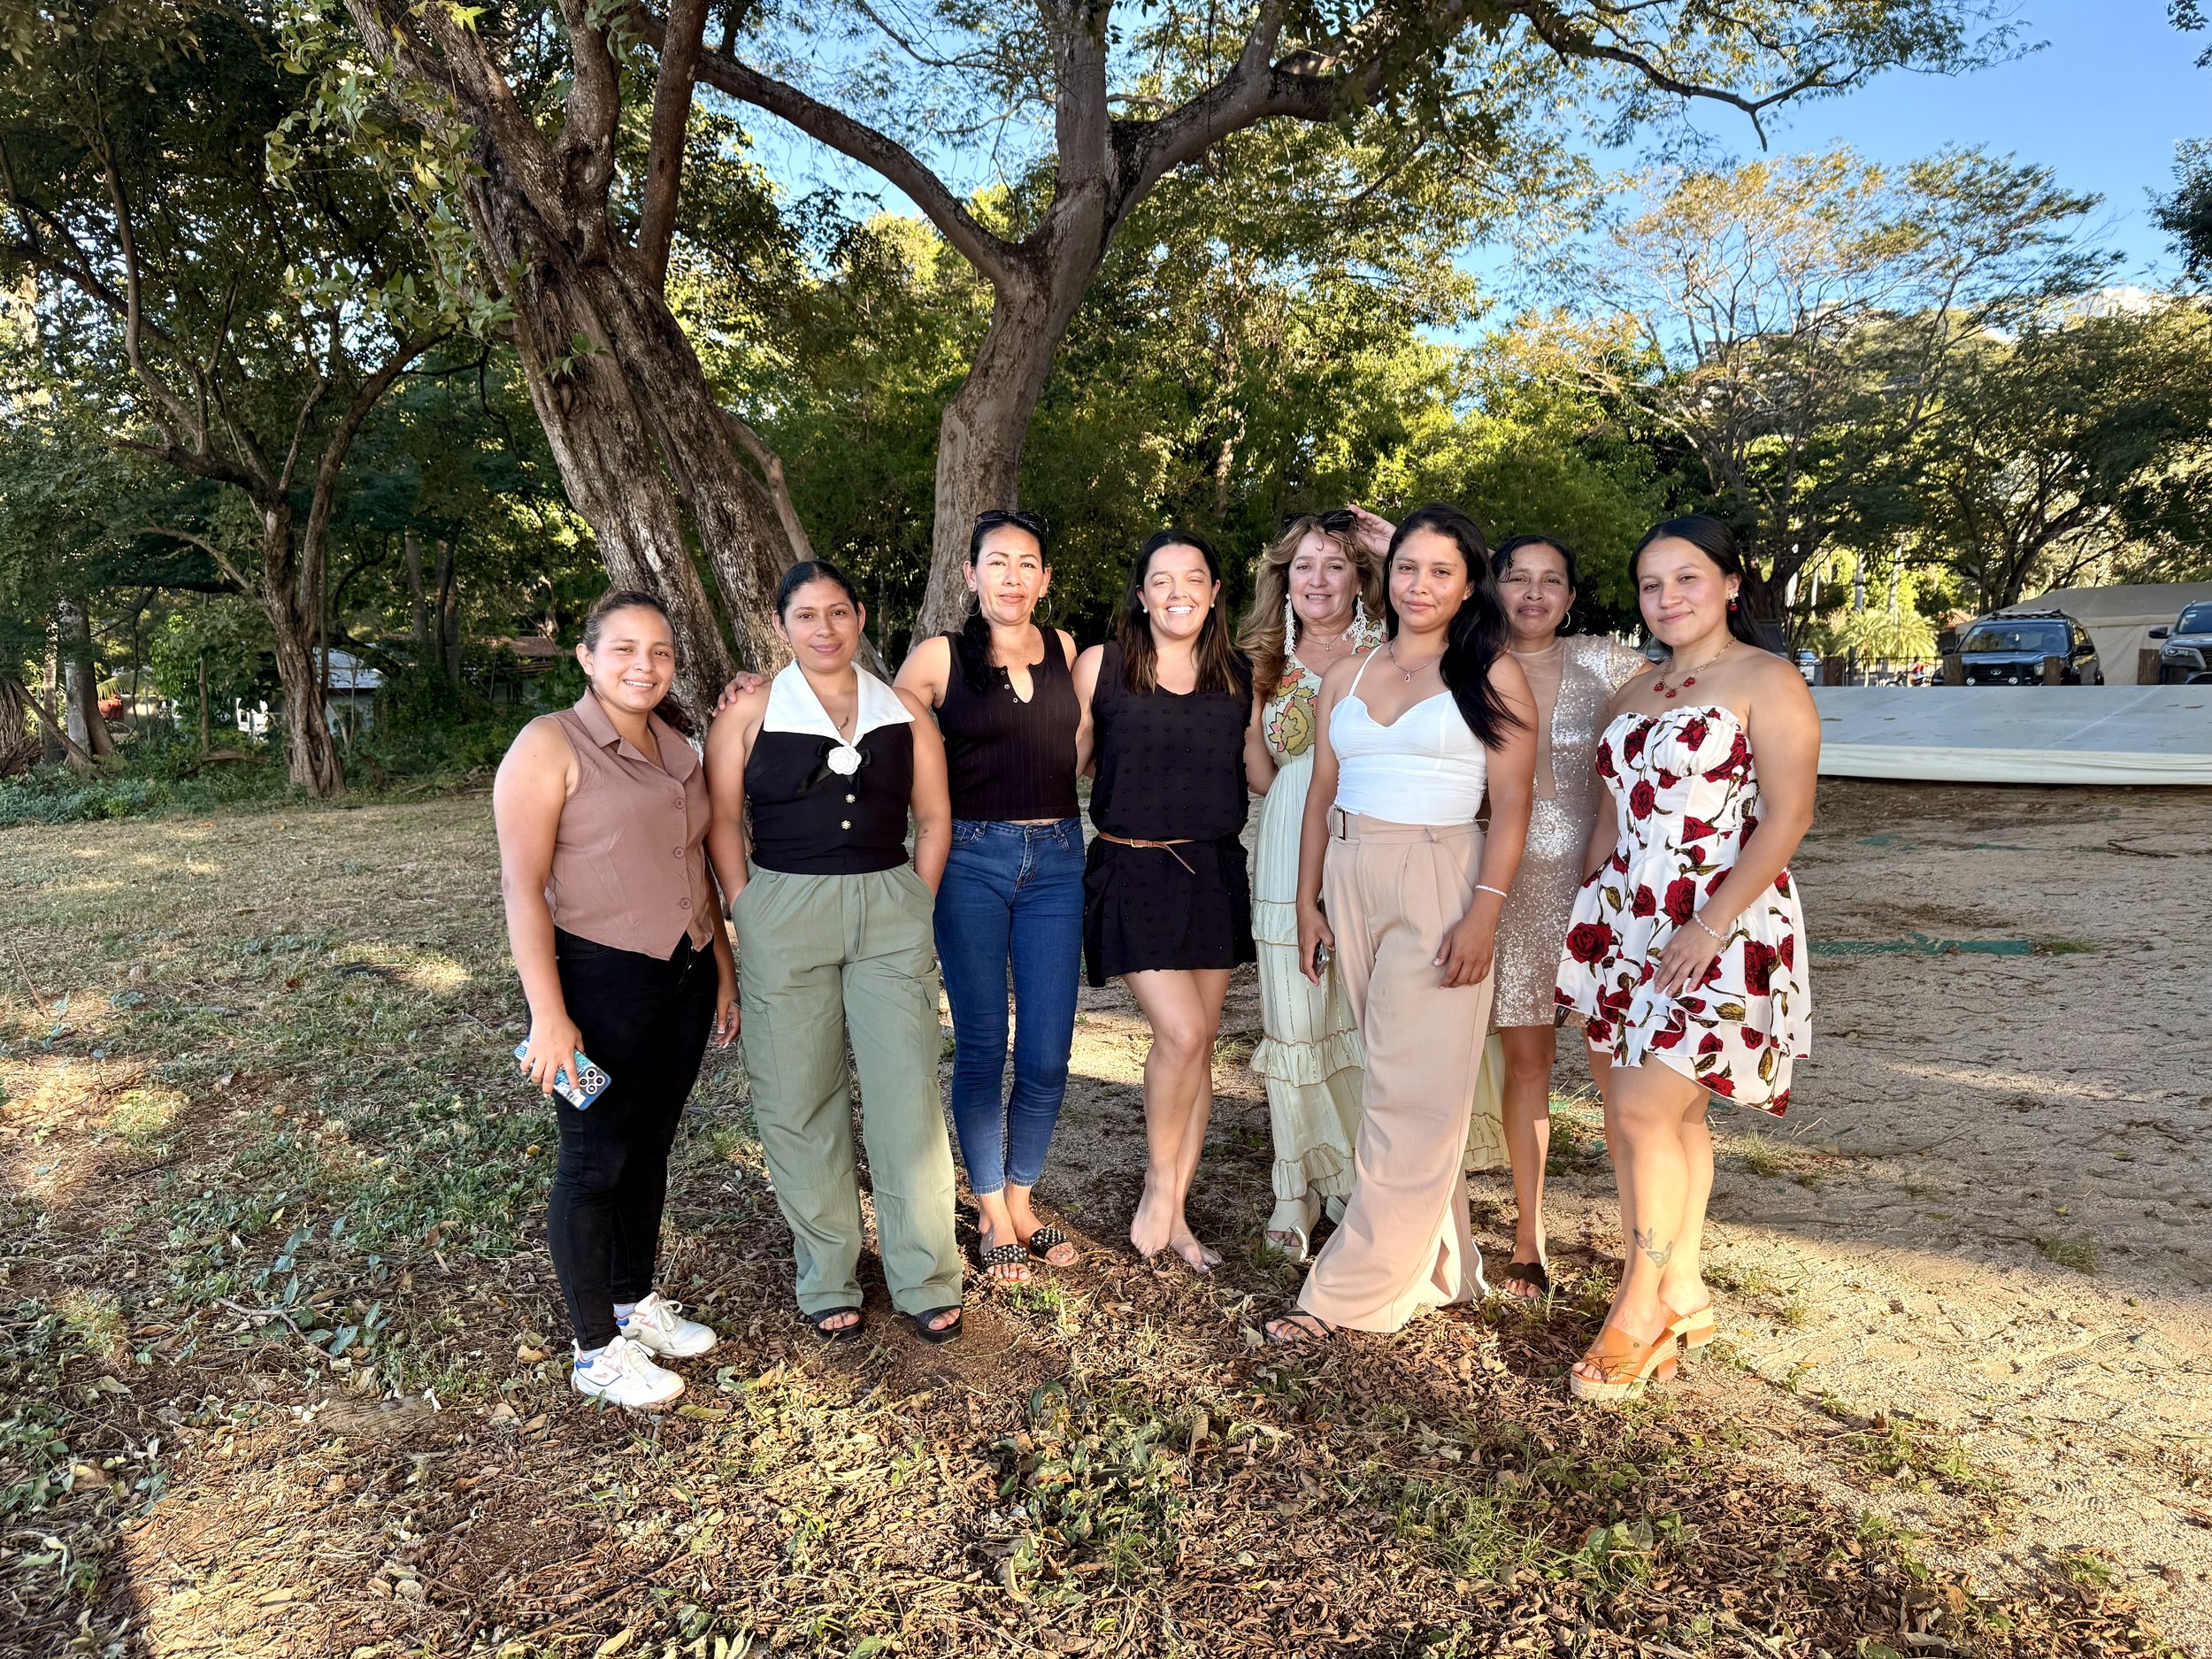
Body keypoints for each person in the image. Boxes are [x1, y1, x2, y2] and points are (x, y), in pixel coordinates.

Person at [1555, 515, 1817, 1402]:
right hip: (1623, 919)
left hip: (1718, 918)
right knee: (1659, 1120)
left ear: (1730, 585)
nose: (1667, 599)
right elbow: (1607, 816)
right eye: (1651, 585)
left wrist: (1707, 926)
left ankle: (1639, 1306)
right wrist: (1591, 919)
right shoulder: (1631, 690)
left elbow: (1787, 817)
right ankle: (1683, 1284)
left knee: (1641, 1111)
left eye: (1687, 580)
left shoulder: (1767, 680)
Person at [1266, 504, 1537, 1342]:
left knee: (1406, 1095)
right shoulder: (1350, 671)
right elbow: (1319, 794)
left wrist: (1483, 915)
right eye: (1409, 567)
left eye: (1441, 571)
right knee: (1397, 1072)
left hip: (1440, 875)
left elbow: (1515, 808)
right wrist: (1309, 901)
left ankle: (1346, 1296)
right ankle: (1447, 1266)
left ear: (1467, 586)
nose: (1421, 585)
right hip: (1349, 871)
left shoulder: (1491, 674)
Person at [705, 561, 965, 1346]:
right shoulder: (749, 711)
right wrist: (748, 904)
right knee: (797, 1095)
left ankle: (924, 1273)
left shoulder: (906, 712)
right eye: (807, 615)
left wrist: (914, 897)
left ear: (860, 619)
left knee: (906, 1094)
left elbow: (936, 817)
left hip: (889, 907)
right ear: (782, 625)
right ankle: (827, 1272)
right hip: (784, 907)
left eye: (839, 613)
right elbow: (721, 819)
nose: (825, 629)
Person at [493, 590, 740, 1410]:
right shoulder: (549, 745)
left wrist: (725, 974)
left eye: (661, 651)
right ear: (587, 657)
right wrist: (549, 1013)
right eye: (625, 649)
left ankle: (635, 1300)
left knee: (652, 1144)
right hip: (596, 982)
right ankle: (595, 1347)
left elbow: (699, 864)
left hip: (685, 976)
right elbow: (523, 887)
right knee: (595, 1158)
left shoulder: (678, 748)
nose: (645, 665)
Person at [895, 510, 1084, 1284]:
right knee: (982, 1043)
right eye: (996, 562)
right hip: (971, 859)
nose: (1012, 576)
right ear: (970, 575)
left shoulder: (1069, 649)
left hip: (1061, 861)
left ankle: (1022, 1194)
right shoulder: (938, 657)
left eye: (1027, 563)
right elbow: (874, 729)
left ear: (1044, 577)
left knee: (1045, 1049)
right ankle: (988, 1206)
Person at [1073, 530, 1256, 1274]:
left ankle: (1177, 1212)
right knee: (1181, 1033)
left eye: (1195, 577)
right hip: (1132, 868)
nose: (1179, 590)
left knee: (1203, 1042)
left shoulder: (1241, 673)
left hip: (1212, 872)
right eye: (1162, 579)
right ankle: (1157, 1187)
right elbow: (1068, 760)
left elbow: (1265, 770)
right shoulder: (1103, 665)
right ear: (1142, 594)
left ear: (1215, 592)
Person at [1485, 534, 1651, 1305]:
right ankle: (1527, 1236)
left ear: (1573, 597)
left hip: (1597, 890)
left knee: (1618, 1076)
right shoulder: (1469, 664)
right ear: (1493, 587)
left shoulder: (1606, 663)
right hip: (1509, 892)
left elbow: (1692, 677)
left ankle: (1640, 1246)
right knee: (1528, 1067)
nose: (1533, 592)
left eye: (1551, 581)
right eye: (1516, 577)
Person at [1238, 509, 1388, 1259]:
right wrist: (1248, 731)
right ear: (1283, 579)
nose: (1318, 579)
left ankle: (1356, 1180)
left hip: (1369, 843)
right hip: (1285, 839)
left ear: (1361, 577)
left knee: (1360, 1025)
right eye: (1304, 566)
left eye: (1336, 564)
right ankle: (1292, 1187)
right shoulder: (1263, 659)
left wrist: (1394, 544)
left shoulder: (1393, 651)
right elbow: (1263, 776)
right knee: (1295, 1020)